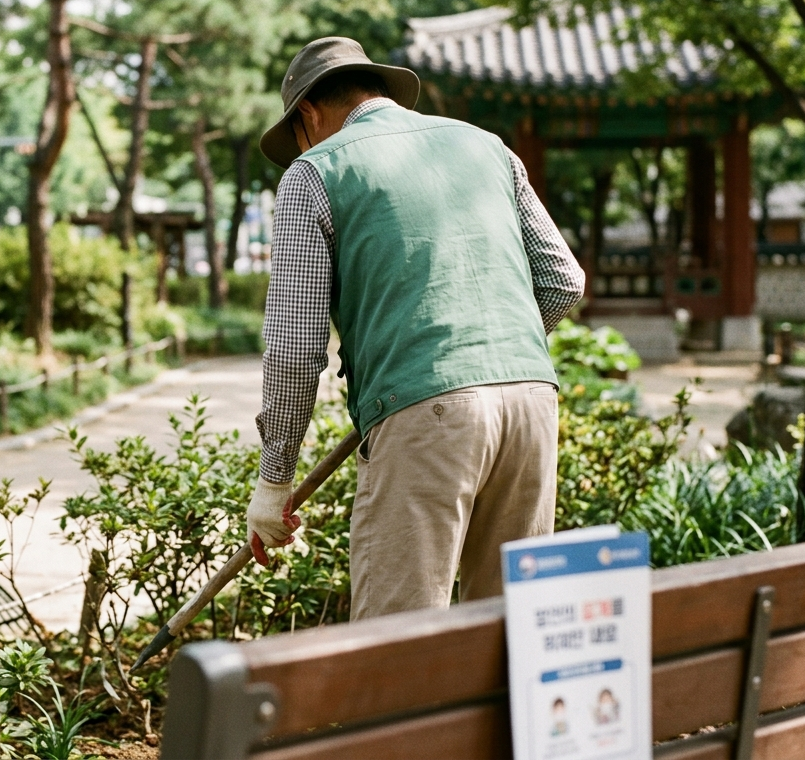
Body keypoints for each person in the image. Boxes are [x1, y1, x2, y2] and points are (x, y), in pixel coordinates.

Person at [247, 37, 585, 619]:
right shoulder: (488, 148)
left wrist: (275, 481)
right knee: (512, 635)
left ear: (307, 113)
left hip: (424, 418)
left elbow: (296, 351)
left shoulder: (314, 173)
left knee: (396, 644)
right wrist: (480, 357)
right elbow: (563, 281)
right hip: (531, 402)